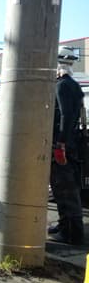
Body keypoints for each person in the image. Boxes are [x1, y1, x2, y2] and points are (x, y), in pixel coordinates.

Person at [49, 63, 85, 245]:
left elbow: (65, 114)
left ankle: (71, 233)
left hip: (62, 143)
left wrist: (60, 142)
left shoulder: (61, 85)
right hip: (70, 142)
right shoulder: (74, 85)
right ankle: (64, 225)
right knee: (65, 188)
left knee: (64, 189)